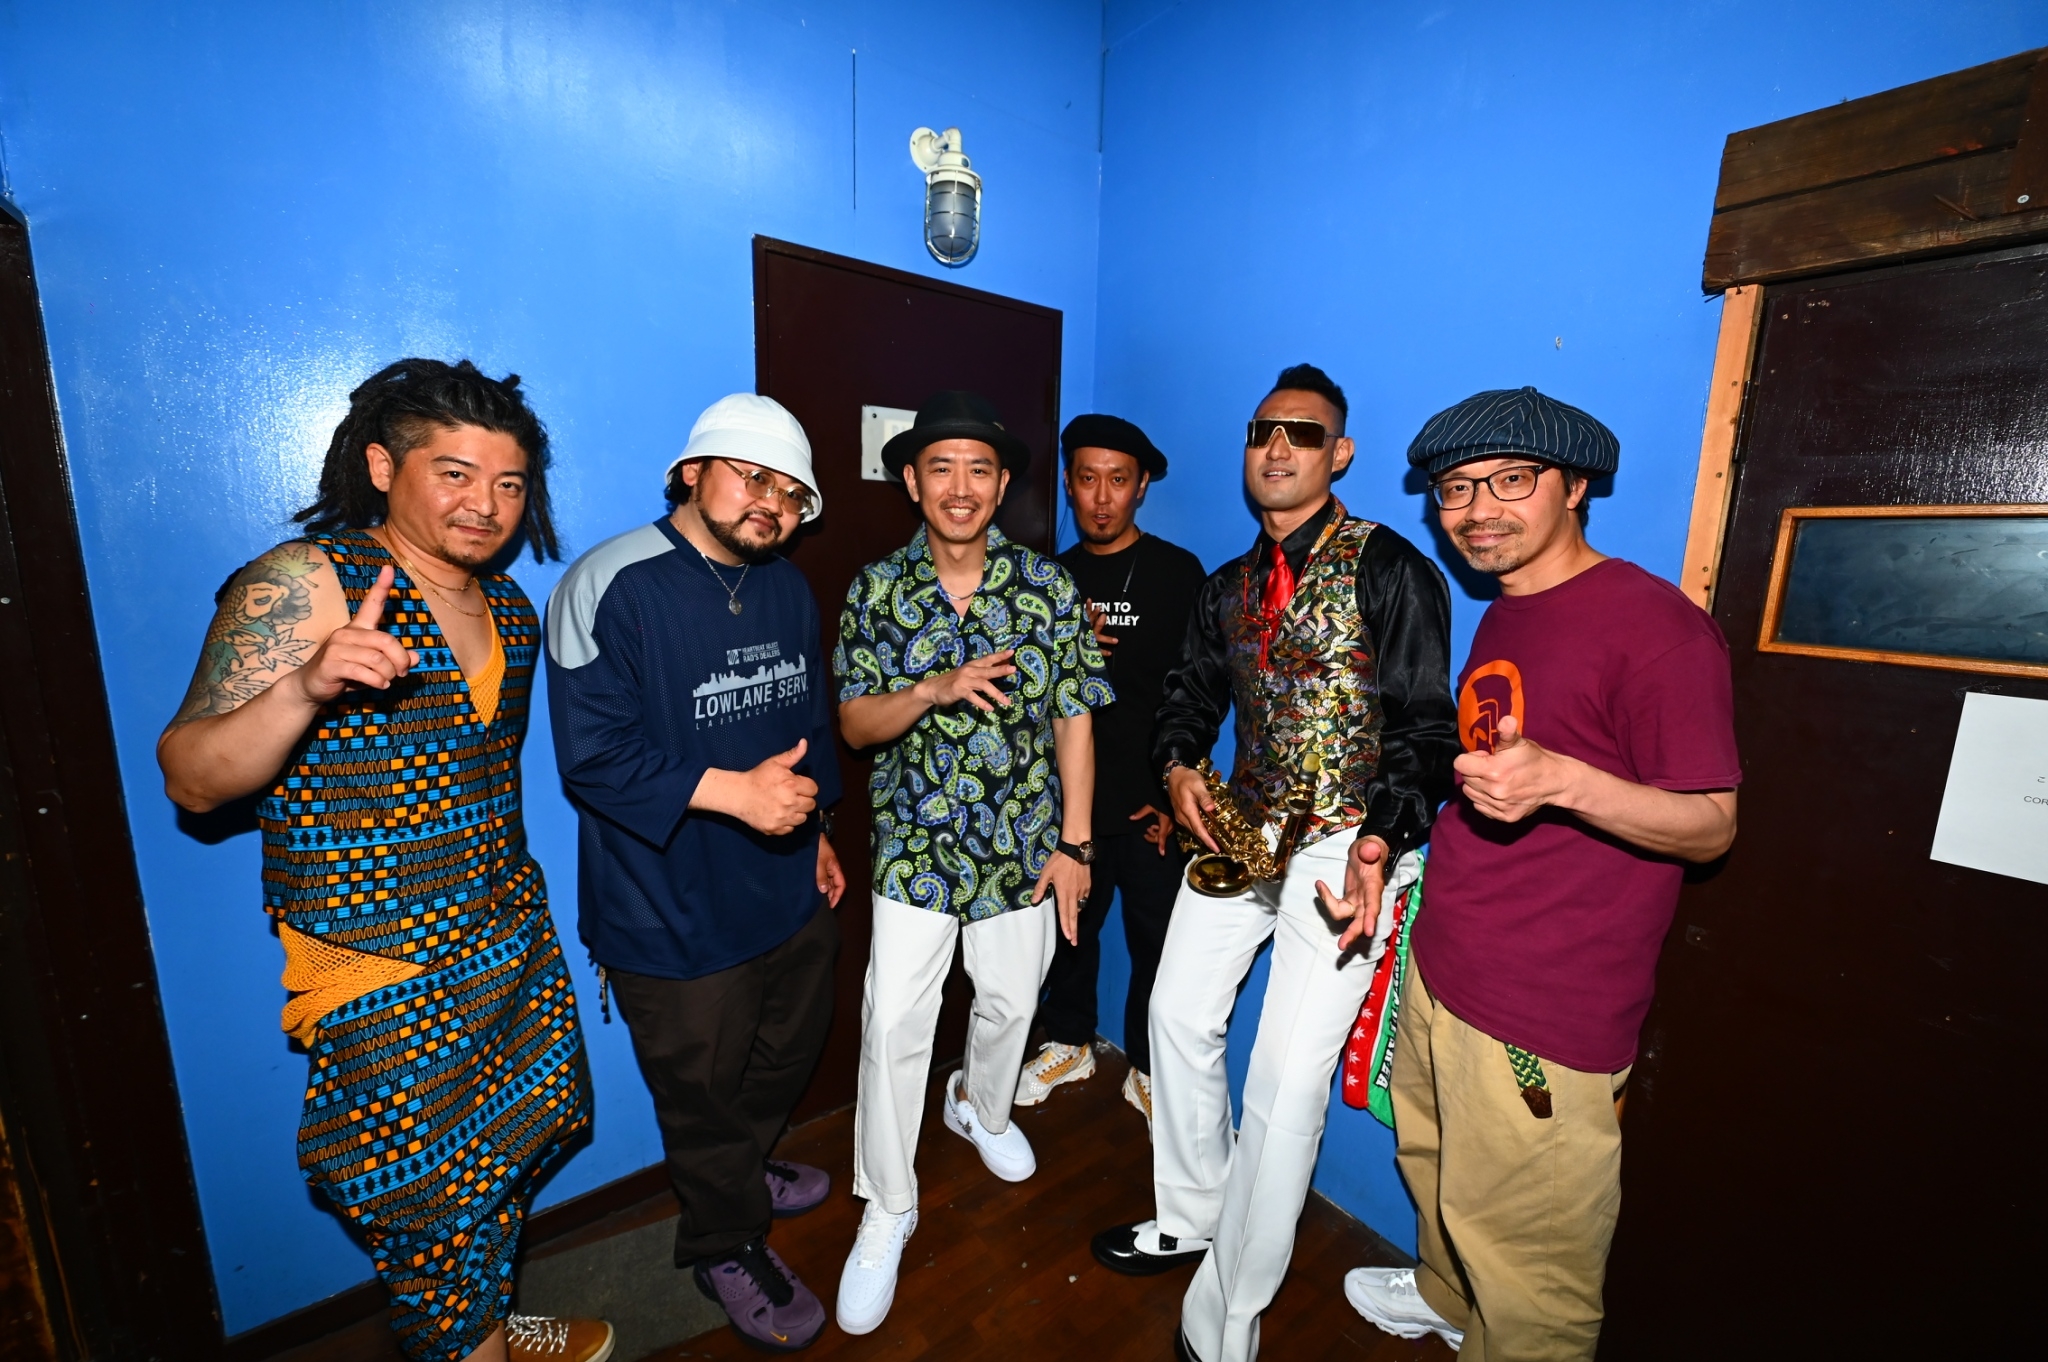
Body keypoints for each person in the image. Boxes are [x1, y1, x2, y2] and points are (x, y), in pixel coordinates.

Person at [157, 360, 608, 1362]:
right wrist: (303, 686)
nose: (485, 505)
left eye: (508, 484)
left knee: (505, 1150)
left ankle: (487, 1320)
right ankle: (468, 1344)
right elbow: (190, 777)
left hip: (503, 935)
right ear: (380, 466)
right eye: (454, 474)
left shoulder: (511, 609)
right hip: (373, 954)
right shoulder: (307, 581)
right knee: (421, 1194)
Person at [1344, 386, 1740, 1360]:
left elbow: (1710, 828)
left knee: (1532, 1277)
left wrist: (1567, 781)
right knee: (1436, 1167)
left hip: (1543, 1008)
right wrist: (1391, 855)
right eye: (1455, 489)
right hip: (1448, 960)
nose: (1477, 509)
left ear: (1574, 487)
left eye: (1510, 481)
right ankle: (1446, 1298)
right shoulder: (1506, 610)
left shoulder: (1652, 628)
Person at [1090, 364, 1458, 1362]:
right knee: (1174, 1018)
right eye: (1263, 432)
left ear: (1340, 454)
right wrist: (1177, 765)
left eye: (1304, 433)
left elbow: (1426, 727)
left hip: (1349, 847)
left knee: (1286, 1084)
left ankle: (1232, 1306)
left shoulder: (1391, 569)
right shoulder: (1226, 586)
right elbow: (1187, 697)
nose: (1279, 448)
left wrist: (1383, 836)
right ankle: (1191, 1212)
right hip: (1242, 832)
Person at [544, 394, 845, 1353]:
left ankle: (738, 1172)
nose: (772, 505)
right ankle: (725, 1239)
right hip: (666, 909)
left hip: (786, 885)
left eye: (791, 494)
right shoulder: (610, 582)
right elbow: (592, 757)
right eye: (753, 478)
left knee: (788, 1051)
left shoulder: (787, 586)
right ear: (690, 472)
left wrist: (818, 829)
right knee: (702, 1096)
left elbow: (808, 724)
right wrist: (734, 794)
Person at [830, 390, 1113, 1336]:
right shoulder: (877, 589)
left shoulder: (1046, 588)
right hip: (913, 846)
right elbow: (855, 725)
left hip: (1022, 847)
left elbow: (1074, 721)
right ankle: (888, 1203)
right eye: (941, 467)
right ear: (912, 483)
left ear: (1001, 487)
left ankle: (982, 1111)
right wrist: (933, 688)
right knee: (892, 1025)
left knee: (1010, 1005)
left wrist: (1075, 845)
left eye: (979, 469)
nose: (960, 486)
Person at [1018, 414, 1206, 1132]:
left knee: (1160, 944)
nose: (1102, 497)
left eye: (1118, 480)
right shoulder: (1047, 579)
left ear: (1142, 486)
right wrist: (1068, 662)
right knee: (1068, 936)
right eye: (1087, 479)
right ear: (1068, 485)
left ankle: (1149, 1070)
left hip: (1151, 804)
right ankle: (1069, 1043)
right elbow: (1023, 704)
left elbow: (1198, 694)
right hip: (1071, 806)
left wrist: (1174, 789)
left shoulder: (1178, 573)